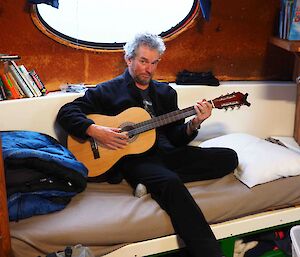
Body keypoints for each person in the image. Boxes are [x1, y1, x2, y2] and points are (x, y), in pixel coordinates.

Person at [57, 32, 238, 257]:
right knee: (171, 183)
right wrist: (96, 131)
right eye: (143, 61)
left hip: (167, 153)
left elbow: (176, 137)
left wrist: (195, 123)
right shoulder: (108, 90)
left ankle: (148, 184)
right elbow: (67, 112)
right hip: (135, 159)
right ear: (129, 59)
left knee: (229, 157)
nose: (149, 69)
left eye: (154, 63)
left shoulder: (165, 93)